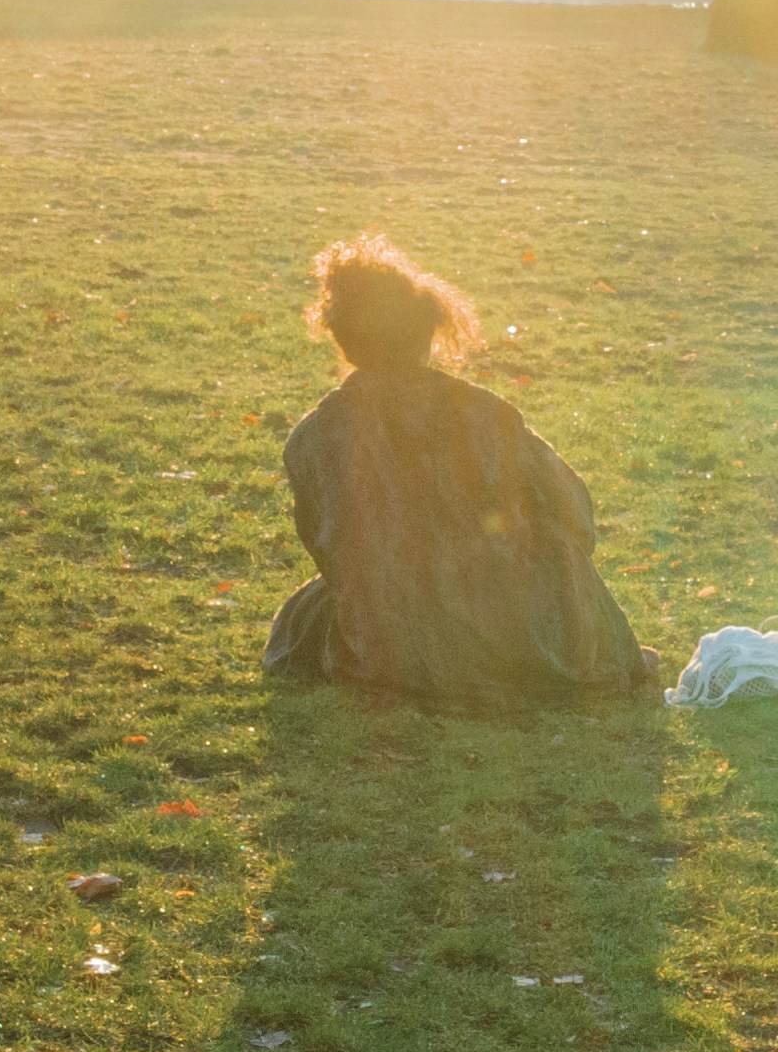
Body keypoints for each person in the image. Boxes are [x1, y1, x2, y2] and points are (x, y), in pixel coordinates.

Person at [261, 234, 655, 708]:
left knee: (301, 621)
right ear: (426, 330)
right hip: (536, 638)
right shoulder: (489, 414)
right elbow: (576, 514)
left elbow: (337, 555)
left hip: (403, 650)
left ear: (343, 339)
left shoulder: (318, 436)